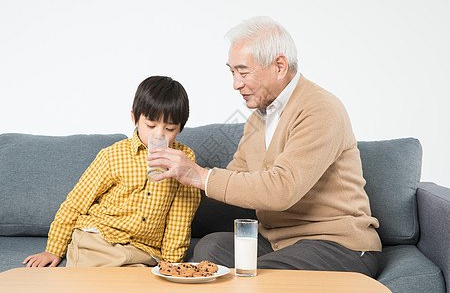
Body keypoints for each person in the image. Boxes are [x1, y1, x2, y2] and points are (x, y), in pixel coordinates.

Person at [147, 16, 382, 277]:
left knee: (254, 274)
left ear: (279, 66)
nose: (236, 84)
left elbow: (282, 188)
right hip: (277, 243)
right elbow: (237, 180)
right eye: (232, 72)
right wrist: (170, 186)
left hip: (337, 245)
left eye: (243, 72)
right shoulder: (258, 120)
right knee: (210, 248)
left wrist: (199, 175)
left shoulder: (320, 109)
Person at [23, 76, 201, 267]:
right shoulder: (113, 155)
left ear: (180, 128)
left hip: (142, 250)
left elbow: (181, 216)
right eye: (150, 125)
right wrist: (53, 249)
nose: (159, 135)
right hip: (99, 237)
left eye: (169, 128)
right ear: (134, 118)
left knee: (140, 280)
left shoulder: (184, 160)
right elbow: (76, 202)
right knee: (89, 272)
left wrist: (171, 262)